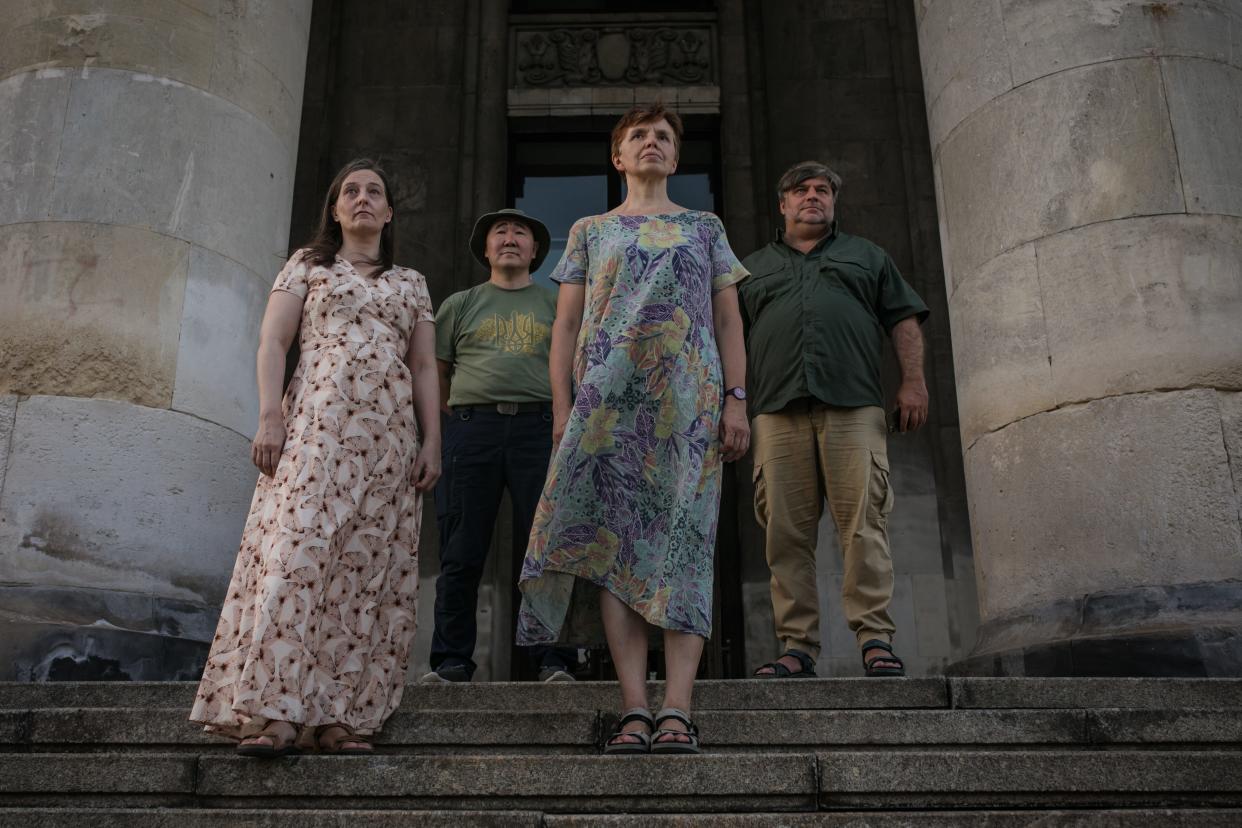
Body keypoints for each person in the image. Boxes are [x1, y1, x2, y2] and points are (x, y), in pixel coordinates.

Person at [516, 103, 750, 755]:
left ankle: (678, 707)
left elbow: (728, 321)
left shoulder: (705, 227)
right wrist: (564, 410)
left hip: (688, 410)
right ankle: (634, 706)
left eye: (664, 137)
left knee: (683, 550)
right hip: (606, 411)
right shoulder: (589, 230)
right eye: (638, 136)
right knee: (614, 555)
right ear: (618, 157)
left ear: (676, 158)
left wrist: (736, 400)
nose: (652, 143)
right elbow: (564, 327)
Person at [190, 159, 440, 756]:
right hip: (316, 428)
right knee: (297, 556)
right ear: (334, 209)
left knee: (364, 574)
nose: (361, 199)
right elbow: (273, 341)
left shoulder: (411, 282)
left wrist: (434, 439)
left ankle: (340, 717)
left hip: (388, 444)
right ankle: (276, 711)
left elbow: (426, 365)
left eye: (374, 192)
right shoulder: (307, 266)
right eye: (349, 191)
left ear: (388, 212)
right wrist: (270, 415)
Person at [739, 160, 929, 680]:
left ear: (833, 201)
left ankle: (875, 639)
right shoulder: (750, 269)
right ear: (783, 204)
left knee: (864, 527)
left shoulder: (867, 256)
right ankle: (797, 648)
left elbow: (903, 319)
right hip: (776, 413)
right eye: (800, 191)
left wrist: (913, 381)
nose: (812, 197)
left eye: (822, 190)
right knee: (783, 536)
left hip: (854, 407)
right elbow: (727, 343)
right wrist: (729, 403)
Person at [422, 208, 578, 684]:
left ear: (535, 251)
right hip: (472, 430)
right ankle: (452, 661)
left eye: (520, 233)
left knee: (551, 548)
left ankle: (555, 660)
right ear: (485, 250)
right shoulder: (460, 303)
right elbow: (436, 372)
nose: (510, 239)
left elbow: (577, 366)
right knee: (461, 548)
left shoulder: (558, 304)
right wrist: (452, 424)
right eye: (499, 233)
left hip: (542, 429)